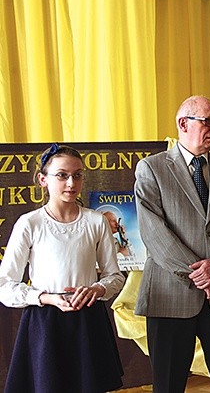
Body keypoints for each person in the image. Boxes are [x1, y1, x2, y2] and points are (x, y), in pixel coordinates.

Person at [134, 95, 210, 393]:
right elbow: (154, 232)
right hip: (169, 295)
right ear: (183, 123)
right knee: (168, 385)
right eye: (208, 121)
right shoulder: (151, 169)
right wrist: (200, 275)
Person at [0, 143, 125, 393]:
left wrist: (97, 290)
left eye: (77, 175)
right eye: (62, 175)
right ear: (42, 179)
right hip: (45, 324)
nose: (71, 183)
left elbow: (115, 276)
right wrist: (46, 297)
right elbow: (5, 286)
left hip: (88, 321)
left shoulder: (96, 221)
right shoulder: (29, 223)